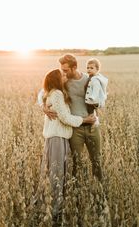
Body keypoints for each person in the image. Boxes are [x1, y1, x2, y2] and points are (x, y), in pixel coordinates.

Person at [38, 68, 94, 219]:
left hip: (58, 137)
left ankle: (52, 205)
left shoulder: (52, 92)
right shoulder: (56, 94)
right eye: (62, 75)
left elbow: (42, 95)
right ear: (56, 79)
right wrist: (85, 120)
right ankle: (54, 209)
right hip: (57, 138)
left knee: (55, 171)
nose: (65, 76)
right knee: (56, 173)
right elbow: (65, 118)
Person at [41, 54, 103, 182]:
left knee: (97, 161)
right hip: (75, 129)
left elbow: (101, 97)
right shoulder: (63, 81)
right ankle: (78, 190)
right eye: (62, 70)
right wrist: (43, 105)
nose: (62, 72)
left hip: (92, 127)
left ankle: (100, 189)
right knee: (77, 163)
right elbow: (44, 91)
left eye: (65, 70)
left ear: (74, 67)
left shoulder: (89, 80)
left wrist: (99, 104)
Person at [85, 58, 108, 126]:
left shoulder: (95, 80)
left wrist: (93, 97)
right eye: (88, 68)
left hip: (92, 101)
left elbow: (96, 90)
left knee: (91, 113)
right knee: (91, 112)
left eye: (91, 68)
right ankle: (93, 123)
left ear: (97, 69)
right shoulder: (90, 77)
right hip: (89, 100)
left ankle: (95, 124)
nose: (89, 69)